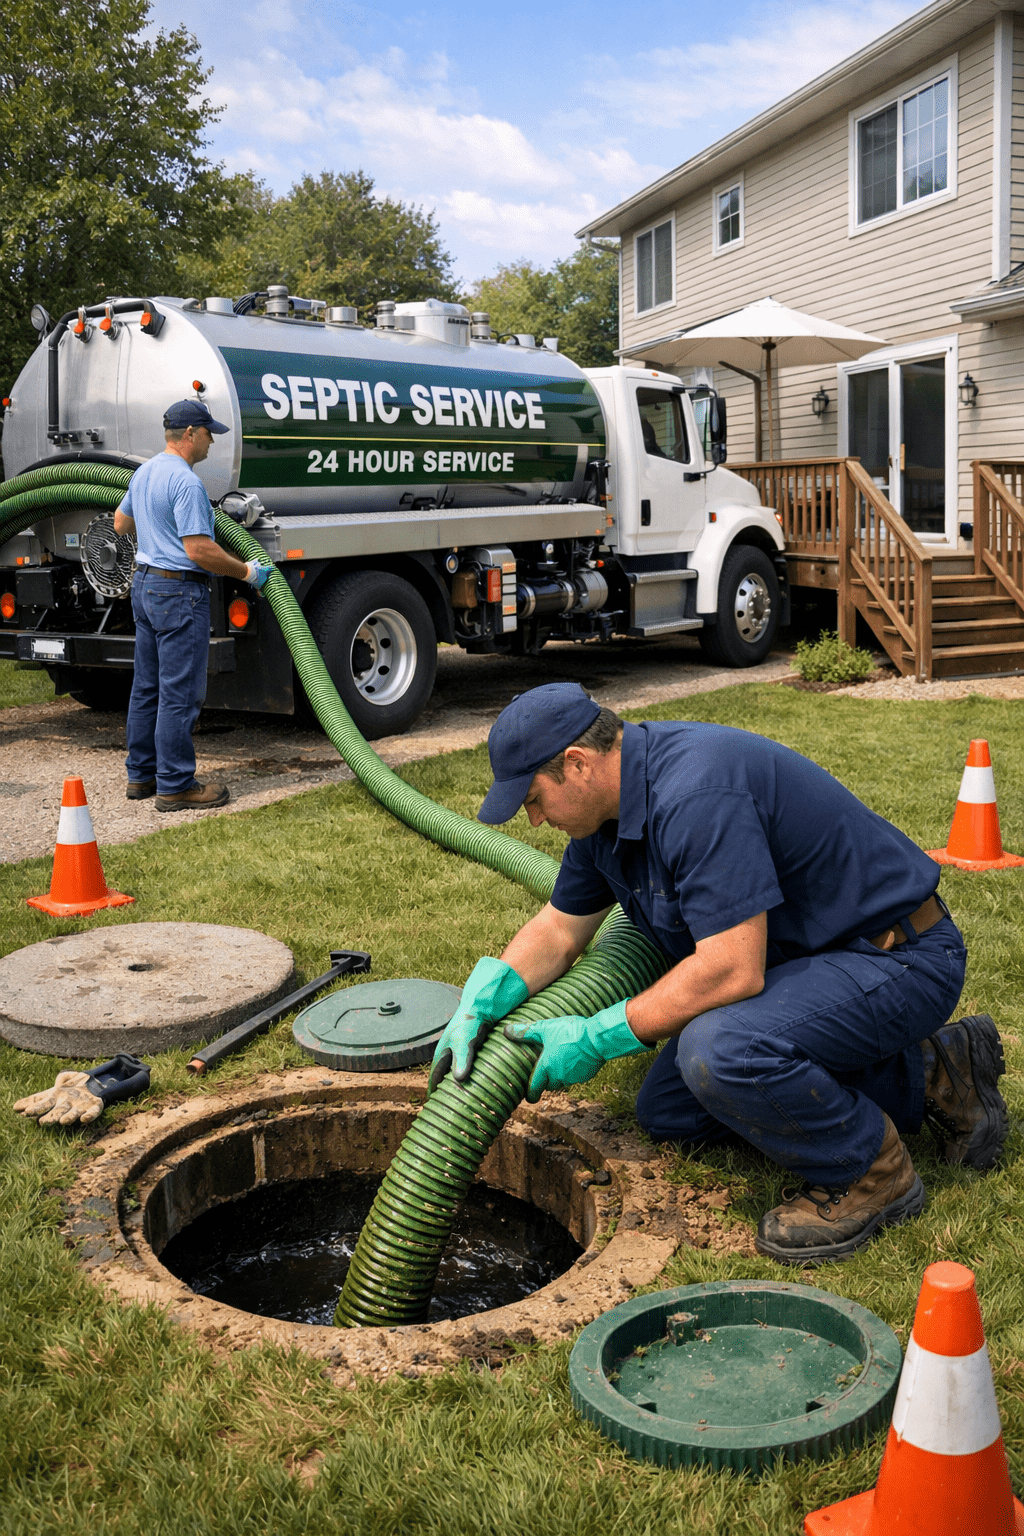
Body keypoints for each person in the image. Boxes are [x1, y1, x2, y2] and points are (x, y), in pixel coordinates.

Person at [430, 682, 1008, 1265]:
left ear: (576, 765)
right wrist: (489, 992)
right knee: (671, 1111)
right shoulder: (603, 818)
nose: (532, 820)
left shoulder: (695, 793)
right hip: (813, 960)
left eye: (533, 799)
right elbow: (559, 929)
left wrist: (598, 1034)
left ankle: (871, 1172)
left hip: (895, 957)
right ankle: (937, 1070)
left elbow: (731, 970)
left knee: (721, 1050)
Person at [113, 400, 272, 812]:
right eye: (208, 433)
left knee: (147, 687)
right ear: (189, 434)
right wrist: (248, 573)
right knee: (179, 693)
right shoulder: (185, 482)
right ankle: (176, 785)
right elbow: (200, 550)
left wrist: (154, 530)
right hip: (179, 593)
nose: (212, 441)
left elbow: (120, 523)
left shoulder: (145, 472)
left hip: (146, 587)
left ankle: (141, 775)